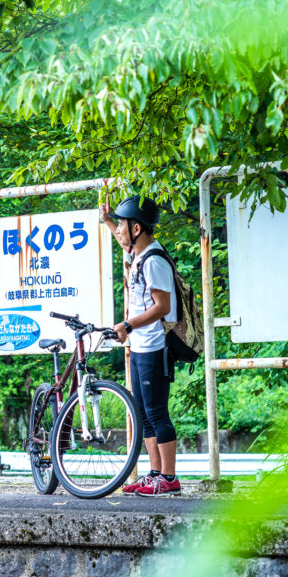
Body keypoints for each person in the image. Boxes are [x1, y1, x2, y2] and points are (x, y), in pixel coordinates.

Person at [99, 196, 180, 497]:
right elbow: (122, 243)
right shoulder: (139, 253)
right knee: (144, 413)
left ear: (136, 228)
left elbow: (162, 306)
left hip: (154, 346)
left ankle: (169, 478)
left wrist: (129, 326)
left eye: (121, 225)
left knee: (157, 413)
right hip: (140, 346)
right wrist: (108, 219)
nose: (118, 230)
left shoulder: (154, 261)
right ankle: (155, 474)